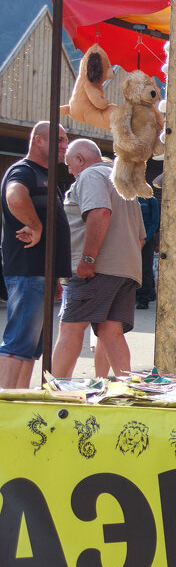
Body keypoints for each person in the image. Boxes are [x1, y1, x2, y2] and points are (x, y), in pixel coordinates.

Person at [50, 139, 145, 378]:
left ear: (80, 159)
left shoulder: (90, 177)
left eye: (69, 164)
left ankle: (55, 391)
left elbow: (100, 212)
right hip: (126, 270)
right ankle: (127, 388)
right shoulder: (123, 185)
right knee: (111, 330)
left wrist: (88, 259)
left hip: (95, 269)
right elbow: (141, 237)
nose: (69, 170)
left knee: (70, 326)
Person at [0, 122, 71, 388]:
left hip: (40, 273)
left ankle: (17, 400)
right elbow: (15, 195)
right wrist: (37, 226)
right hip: (28, 271)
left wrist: (52, 276)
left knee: (31, 346)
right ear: (39, 140)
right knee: (19, 340)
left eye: (65, 140)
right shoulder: (24, 171)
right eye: (60, 140)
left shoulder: (45, 175)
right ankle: (5, 405)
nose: (65, 145)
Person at [136, 183, 160, 309]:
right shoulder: (130, 199)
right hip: (132, 240)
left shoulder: (152, 201)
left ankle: (144, 298)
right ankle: (138, 295)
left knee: (145, 268)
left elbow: (155, 222)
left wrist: (145, 239)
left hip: (146, 240)